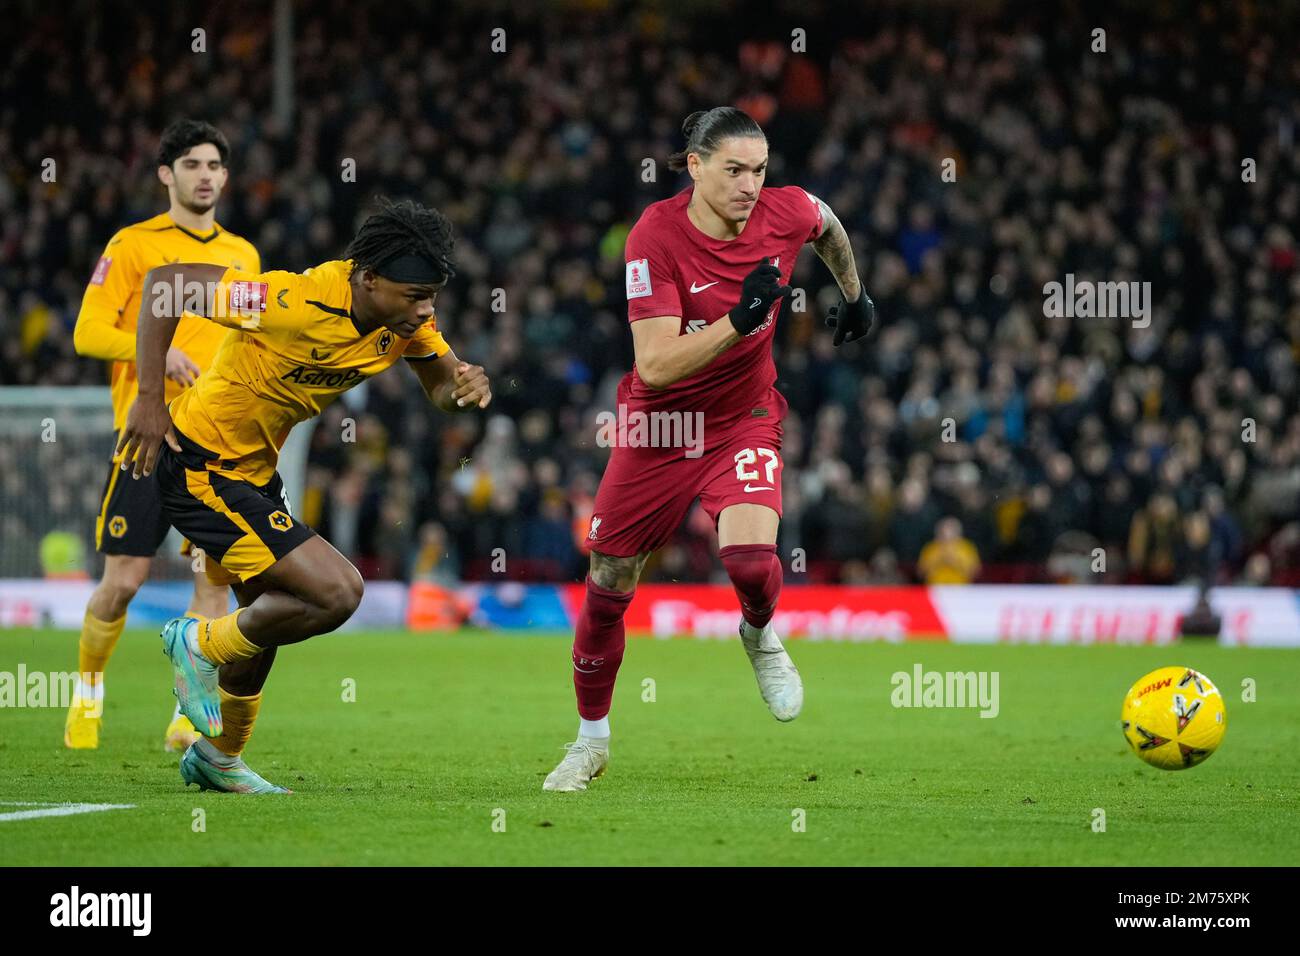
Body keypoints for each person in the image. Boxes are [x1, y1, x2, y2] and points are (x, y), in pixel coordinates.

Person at [543, 107, 875, 791]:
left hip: (742, 418)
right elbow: (657, 364)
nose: (750, 184)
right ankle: (590, 741)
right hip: (660, 425)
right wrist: (740, 319)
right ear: (695, 167)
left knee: (752, 562)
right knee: (610, 581)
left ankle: (757, 633)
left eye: (759, 169)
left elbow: (827, 222)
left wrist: (856, 293)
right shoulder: (653, 237)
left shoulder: (784, 212)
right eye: (734, 170)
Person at [116, 198, 492, 792]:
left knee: (271, 612)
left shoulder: (406, 323)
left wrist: (465, 386)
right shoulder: (291, 300)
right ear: (368, 280)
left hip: (255, 476)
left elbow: (441, 389)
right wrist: (148, 398)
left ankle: (218, 758)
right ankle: (196, 642)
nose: (425, 310)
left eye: (432, 298)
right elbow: (165, 286)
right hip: (201, 464)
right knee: (337, 591)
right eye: (414, 295)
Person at [65, 119, 258, 751]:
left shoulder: (243, 257)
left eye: (214, 166)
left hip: (215, 443)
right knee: (122, 583)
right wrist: (157, 357)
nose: (205, 176)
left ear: (226, 178)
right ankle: (88, 696)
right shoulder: (133, 245)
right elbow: (87, 334)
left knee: (213, 580)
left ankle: (186, 713)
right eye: (192, 165)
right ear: (166, 175)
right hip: (148, 437)